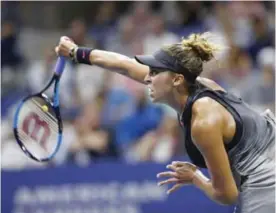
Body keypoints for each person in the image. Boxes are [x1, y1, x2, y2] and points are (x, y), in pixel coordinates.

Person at [55, 32, 275, 212]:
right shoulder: (197, 85)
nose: (147, 78)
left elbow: (227, 195)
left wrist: (195, 177)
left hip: (265, 185)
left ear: (177, 79)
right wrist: (75, 52)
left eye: (154, 72)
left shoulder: (203, 124)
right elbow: (124, 65)